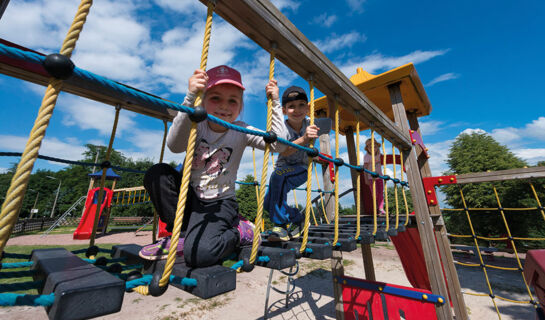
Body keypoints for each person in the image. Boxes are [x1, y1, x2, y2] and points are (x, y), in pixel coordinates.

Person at [139, 65, 286, 267]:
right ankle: (181, 234)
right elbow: (175, 145)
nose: (224, 106)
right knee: (158, 174)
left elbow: (278, 145)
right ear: (203, 100)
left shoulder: (241, 131)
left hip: (220, 203)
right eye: (216, 98)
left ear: (240, 106)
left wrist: (275, 102)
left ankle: (241, 231)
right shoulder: (196, 123)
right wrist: (190, 97)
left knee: (201, 255)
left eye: (232, 101)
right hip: (190, 196)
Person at [264, 86, 320, 241]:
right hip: (284, 168)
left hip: (301, 169)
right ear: (283, 110)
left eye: (301, 105)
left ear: (308, 108)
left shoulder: (310, 123)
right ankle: (298, 218)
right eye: (291, 107)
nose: (297, 110)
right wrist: (304, 139)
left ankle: (280, 227)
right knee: (268, 204)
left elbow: (330, 123)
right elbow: (283, 151)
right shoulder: (282, 128)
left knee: (277, 177)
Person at [362, 138, 385, 215]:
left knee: (381, 192)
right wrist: (366, 179)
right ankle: (377, 207)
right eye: (370, 147)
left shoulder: (378, 154)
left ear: (377, 147)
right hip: (371, 178)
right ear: (367, 148)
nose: (373, 148)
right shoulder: (367, 156)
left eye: (375, 146)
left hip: (380, 177)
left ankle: (381, 208)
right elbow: (365, 168)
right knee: (375, 193)